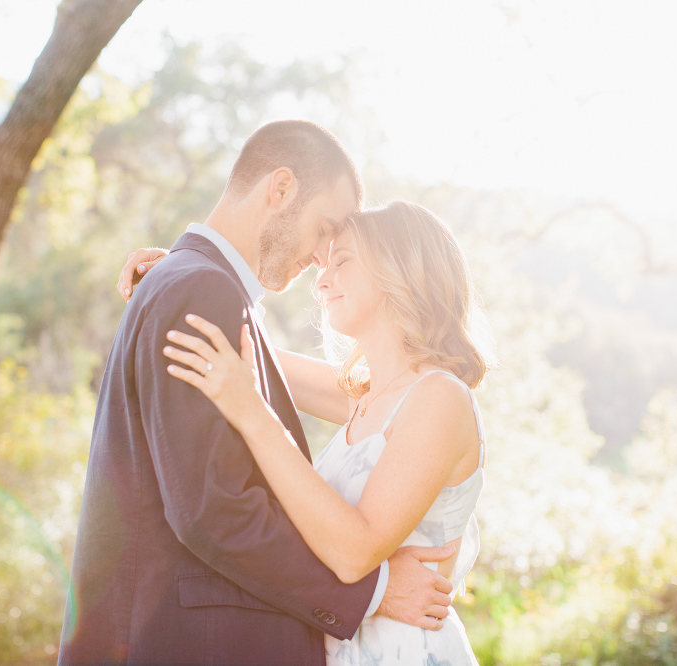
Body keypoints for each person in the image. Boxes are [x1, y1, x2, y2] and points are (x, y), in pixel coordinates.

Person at [59, 121, 457, 666]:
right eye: (325, 231)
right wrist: (374, 593)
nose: (322, 259)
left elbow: (371, 398)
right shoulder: (199, 287)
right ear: (281, 188)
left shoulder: (196, 285)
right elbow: (211, 509)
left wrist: (182, 264)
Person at [125, 200, 491, 665]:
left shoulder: (439, 398)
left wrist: (253, 413)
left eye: (342, 262)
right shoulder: (371, 399)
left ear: (401, 269)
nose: (321, 280)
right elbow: (252, 350)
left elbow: (356, 550)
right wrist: (182, 279)